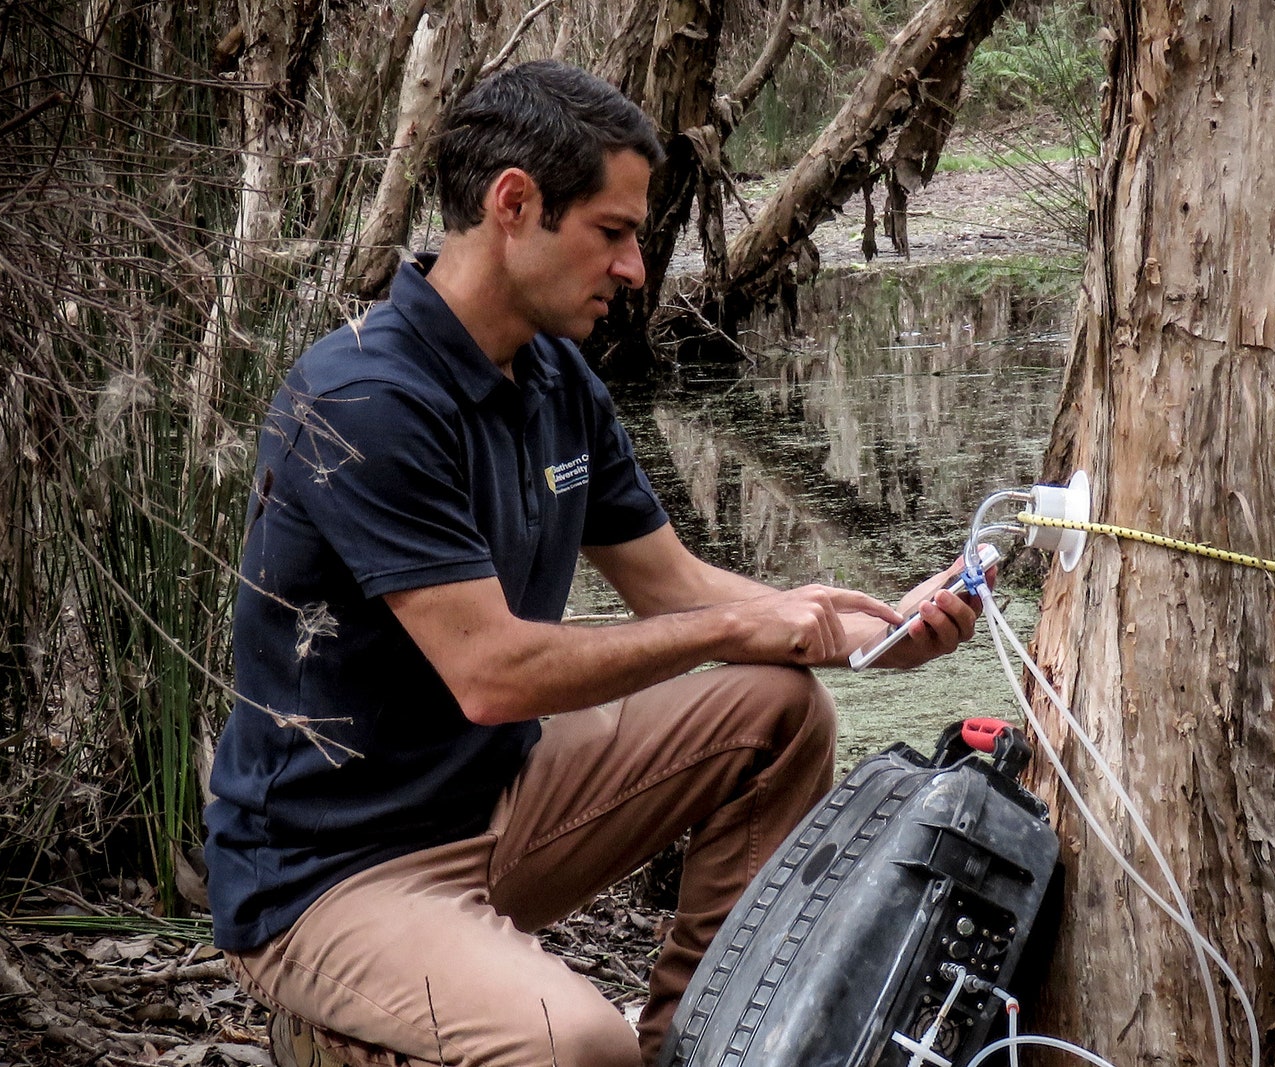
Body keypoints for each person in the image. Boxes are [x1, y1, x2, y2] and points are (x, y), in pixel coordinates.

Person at [204, 59, 985, 1067]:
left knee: (778, 713)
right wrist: (743, 625)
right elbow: (493, 675)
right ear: (514, 204)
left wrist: (872, 632)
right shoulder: (367, 398)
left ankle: (701, 1048)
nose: (633, 269)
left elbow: (674, 584)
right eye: (612, 233)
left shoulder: (552, 371)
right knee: (579, 1045)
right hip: (334, 875)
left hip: (495, 801)